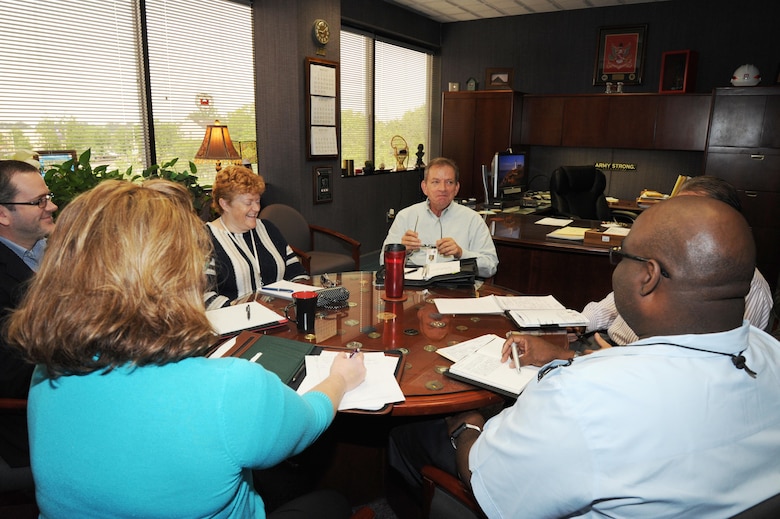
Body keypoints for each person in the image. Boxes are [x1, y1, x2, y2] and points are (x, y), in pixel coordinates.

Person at [389, 196, 780, 517]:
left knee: (407, 432)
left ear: (649, 275)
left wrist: (466, 426)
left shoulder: (582, 397)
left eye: (620, 256)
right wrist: (570, 354)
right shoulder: (772, 355)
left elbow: (486, 477)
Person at [5, 180, 366, 518]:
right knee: (333, 501)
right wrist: (340, 379)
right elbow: (306, 422)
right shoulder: (228, 386)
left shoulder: (46, 371)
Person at [581, 175, 773, 348]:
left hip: (645, 371)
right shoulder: (660, 256)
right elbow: (612, 305)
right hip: (606, 344)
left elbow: (720, 359)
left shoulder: (751, 287)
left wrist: (617, 362)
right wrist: (579, 323)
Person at [0, 159, 57, 469]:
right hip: (33, 419)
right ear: (2, 213)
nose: (52, 206)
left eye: (48, 196)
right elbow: (11, 373)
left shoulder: (55, 251)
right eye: (39, 201)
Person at [205, 165, 309, 310]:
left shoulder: (267, 229)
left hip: (279, 315)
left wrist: (295, 299)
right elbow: (203, 295)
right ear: (225, 204)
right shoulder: (206, 239)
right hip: (235, 324)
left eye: (258, 201)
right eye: (248, 202)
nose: (256, 208)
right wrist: (244, 312)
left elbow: (297, 273)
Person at [381, 157, 498, 279]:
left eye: (449, 182)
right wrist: (402, 250)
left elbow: (491, 266)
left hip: (455, 285)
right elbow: (382, 261)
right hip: (414, 285)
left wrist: (461, 253)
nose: (442, 189)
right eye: (435, 182)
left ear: (456, 188)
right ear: (425, 187)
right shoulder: (405, 216)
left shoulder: (473, 219)